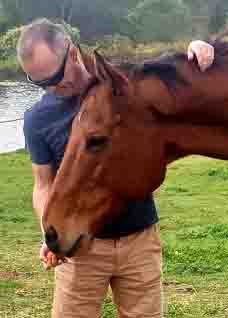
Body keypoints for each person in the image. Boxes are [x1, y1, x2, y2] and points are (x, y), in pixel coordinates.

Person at [17, 18, 215, 318]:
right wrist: (50, 232)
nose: (54, 87)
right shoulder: (37, 120)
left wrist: (198, 52)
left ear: (72, 53)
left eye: (56, 76)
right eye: (41, 82)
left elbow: (170, 79)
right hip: (82, 251)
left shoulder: (122, 84)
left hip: (139, 240)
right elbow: (43, 184)